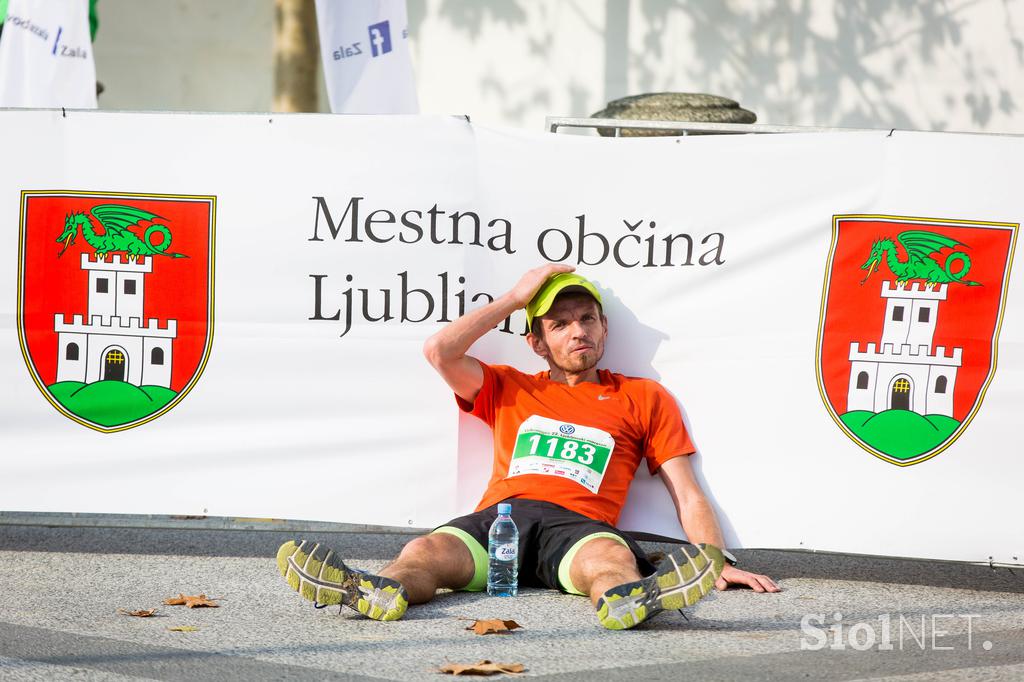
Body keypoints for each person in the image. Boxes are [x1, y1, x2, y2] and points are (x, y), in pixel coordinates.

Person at [277, 264, 780, 629]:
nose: (578, 332)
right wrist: (516, 299)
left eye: (587, 319)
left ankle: (630, 602)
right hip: (501, 520)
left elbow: (686, 493)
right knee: (424, 551)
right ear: (538, 342)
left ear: (604, 327)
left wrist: (716, 561)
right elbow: (439, 351)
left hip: (579, 528)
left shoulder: (642, 395)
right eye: (559, 324)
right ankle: (376, 591)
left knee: (609, 561)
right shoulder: (511, 385)